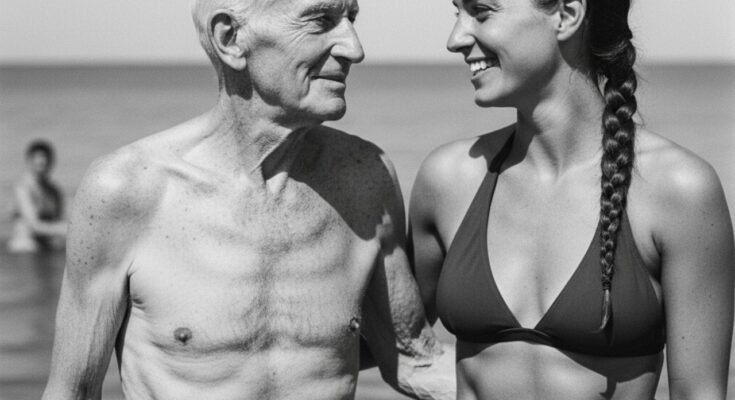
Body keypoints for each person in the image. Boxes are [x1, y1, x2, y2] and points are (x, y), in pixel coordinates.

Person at [42, 0, 454, 399]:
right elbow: (73, 391)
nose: (354, 48)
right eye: (320, 20)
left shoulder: (364, 177)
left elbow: (413, 361)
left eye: (351, 19)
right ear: (231, 38)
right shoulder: (128, 191)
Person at [409, 0, 734, 399]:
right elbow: (389, 340)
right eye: (455, 14)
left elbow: (699, 393)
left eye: (482, 12)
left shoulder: (678, 191)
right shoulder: (449, 180)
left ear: (566, 15)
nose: (455, 38)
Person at [6, 139, 67, 253]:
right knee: (27, 244)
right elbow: (34, 226)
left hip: (46, 247)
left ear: (51, 163)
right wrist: (66, 228)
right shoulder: (22, 188)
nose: (42, 166)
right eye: (39, 163)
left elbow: (58, 220)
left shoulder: (55, 191)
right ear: (29, 161)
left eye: (45, 163)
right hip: (24, 248)